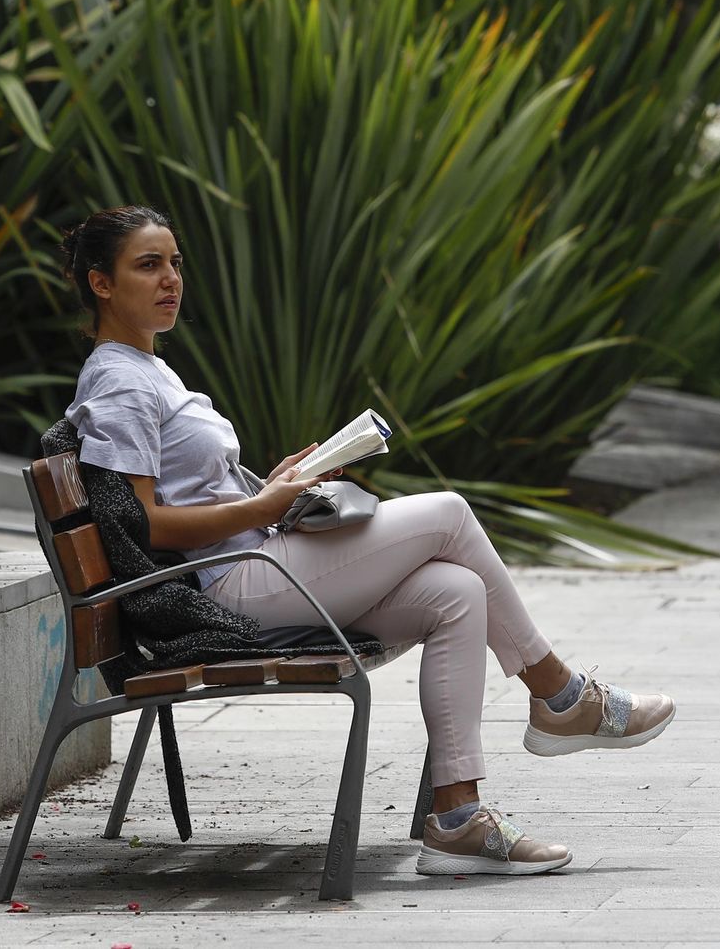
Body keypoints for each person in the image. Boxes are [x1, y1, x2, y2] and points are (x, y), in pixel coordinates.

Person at [59, 205, 675, 876]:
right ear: (102, 284)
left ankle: (458, 821)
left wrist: (277, 485)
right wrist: (264, 505)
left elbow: (188, 498)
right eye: (148, 265)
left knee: (457, 592)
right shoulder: (118, 382)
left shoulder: (148, 371)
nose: (170, 278)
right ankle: (561, 696)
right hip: (235, 586)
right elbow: (143, 523)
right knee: (449, 512)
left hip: (256, 560)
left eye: (174, 262)